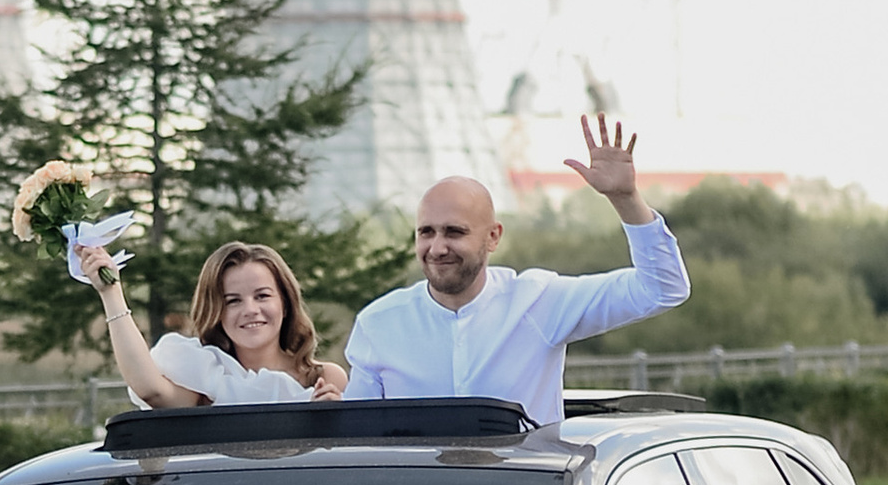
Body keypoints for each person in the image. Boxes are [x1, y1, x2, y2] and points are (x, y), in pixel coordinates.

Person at [340, 118, 690, 424]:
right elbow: (361, 441)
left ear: (493, 237)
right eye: (426, 233)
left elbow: (662, 288)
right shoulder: (379, 324)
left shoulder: (539, 301)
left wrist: (625, 199)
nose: (437, 248)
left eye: (454, 232)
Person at [77, 234, 352, 412]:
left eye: (262, 296)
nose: (250, 310)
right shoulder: (206, 381)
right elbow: (151, 390)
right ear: (216, 310)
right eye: (233, 301)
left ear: (285, 302)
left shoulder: (324, 378)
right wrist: (110, 292)